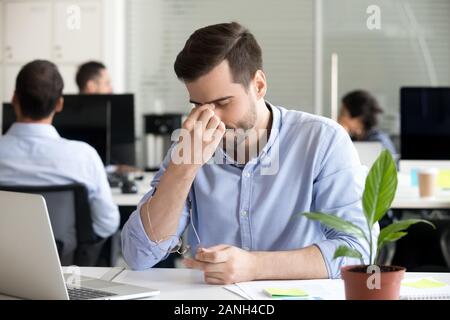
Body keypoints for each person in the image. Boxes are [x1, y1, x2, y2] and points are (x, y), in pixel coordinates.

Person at [122, 22, 376, 283]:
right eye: (198, 105)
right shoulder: (189, 143)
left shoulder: (322, 140)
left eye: (222, 103)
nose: (211, 119)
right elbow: (138, 255)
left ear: (258, 85)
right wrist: (184, 168)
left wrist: (254, 266)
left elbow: (358, 250)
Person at [0, 60, 120, 241]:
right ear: (60, 104)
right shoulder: (84, 156)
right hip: (68, 264)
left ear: (14, 99)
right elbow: (107, 223)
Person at [338, 89, 396, 156]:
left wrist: (343, 135)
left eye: (343, 114)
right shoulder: (355, 139)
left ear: (358, 119)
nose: (339, 118)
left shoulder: (378, 142)